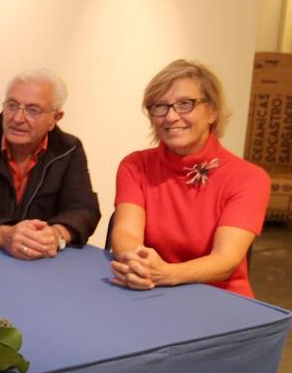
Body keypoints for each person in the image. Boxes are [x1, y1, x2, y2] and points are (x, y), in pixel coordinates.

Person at [110, 59, 270, 297]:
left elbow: (225, 261)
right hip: (149, 290)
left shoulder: (249, 178)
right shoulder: (135, 166)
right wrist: (137, 262)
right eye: (159, 106)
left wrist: (166, 274)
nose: (171, 117)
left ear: (212, 111)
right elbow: (126, 233)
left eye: (185, 104)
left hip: (219, 298)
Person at [0, 68, 100, 259]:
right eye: (12, 105)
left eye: (33, 110)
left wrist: (56, 234)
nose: (17, 118)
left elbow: (84, 209)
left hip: (42, 262)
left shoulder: (69, 150)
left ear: (55, 119)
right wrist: (2, 234)